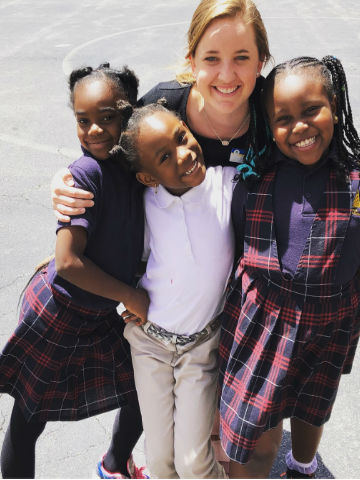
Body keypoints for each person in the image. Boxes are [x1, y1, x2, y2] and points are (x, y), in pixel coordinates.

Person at [0, 64, 149, 479]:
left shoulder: (130, 163)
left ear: (130, 113)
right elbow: (67, 262)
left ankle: (114, 464)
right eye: (83, 120)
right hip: (60, 314)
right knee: (29, 416)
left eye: (108, 118)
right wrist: (130, 294)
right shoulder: (84, 174)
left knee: (142, 386)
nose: (95, 130)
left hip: (98, 314)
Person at [219, 55, 360, 478]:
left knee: (312, 406)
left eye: (311, 110)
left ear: (334, 104)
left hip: (330, 321)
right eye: (283, 118)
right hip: (264, 320)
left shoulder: (356, 183)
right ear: (267, 124)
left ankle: (302, 465)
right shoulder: (253, 179)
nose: (299, 126)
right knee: (256, 439)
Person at [50, 0, 272, 222]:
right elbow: (110, 147)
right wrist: (70, 179)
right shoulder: (160, 109)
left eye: (241, 58)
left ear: (260, 62)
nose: (226, 75)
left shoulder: (275, 111)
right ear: (193, 62)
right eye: (211, 58)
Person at [112, 100, 236, 478]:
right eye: (165, 157)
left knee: (194, 461)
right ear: (149, 178)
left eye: (182, 137)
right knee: (160, 460)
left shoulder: (228, 184)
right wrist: (125, 302)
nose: (184, 155)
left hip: (200, 347)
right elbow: (129, 262)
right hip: (149, 343)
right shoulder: (146, 206)